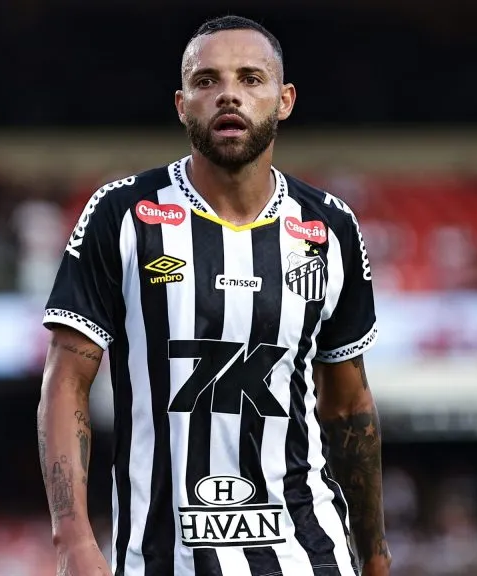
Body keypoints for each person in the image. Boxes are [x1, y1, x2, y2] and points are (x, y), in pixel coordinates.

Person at [37, 15, 390, 576]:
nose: (229, 93)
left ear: (285, 100)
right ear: (182, 104)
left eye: (251, 78)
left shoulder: (330, 226)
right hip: (162, 559)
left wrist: (373, 553)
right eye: (207, 81)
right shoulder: (122, 214)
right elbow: (67, 380)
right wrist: (72, 540)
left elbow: (349, 407)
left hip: (309, 556)